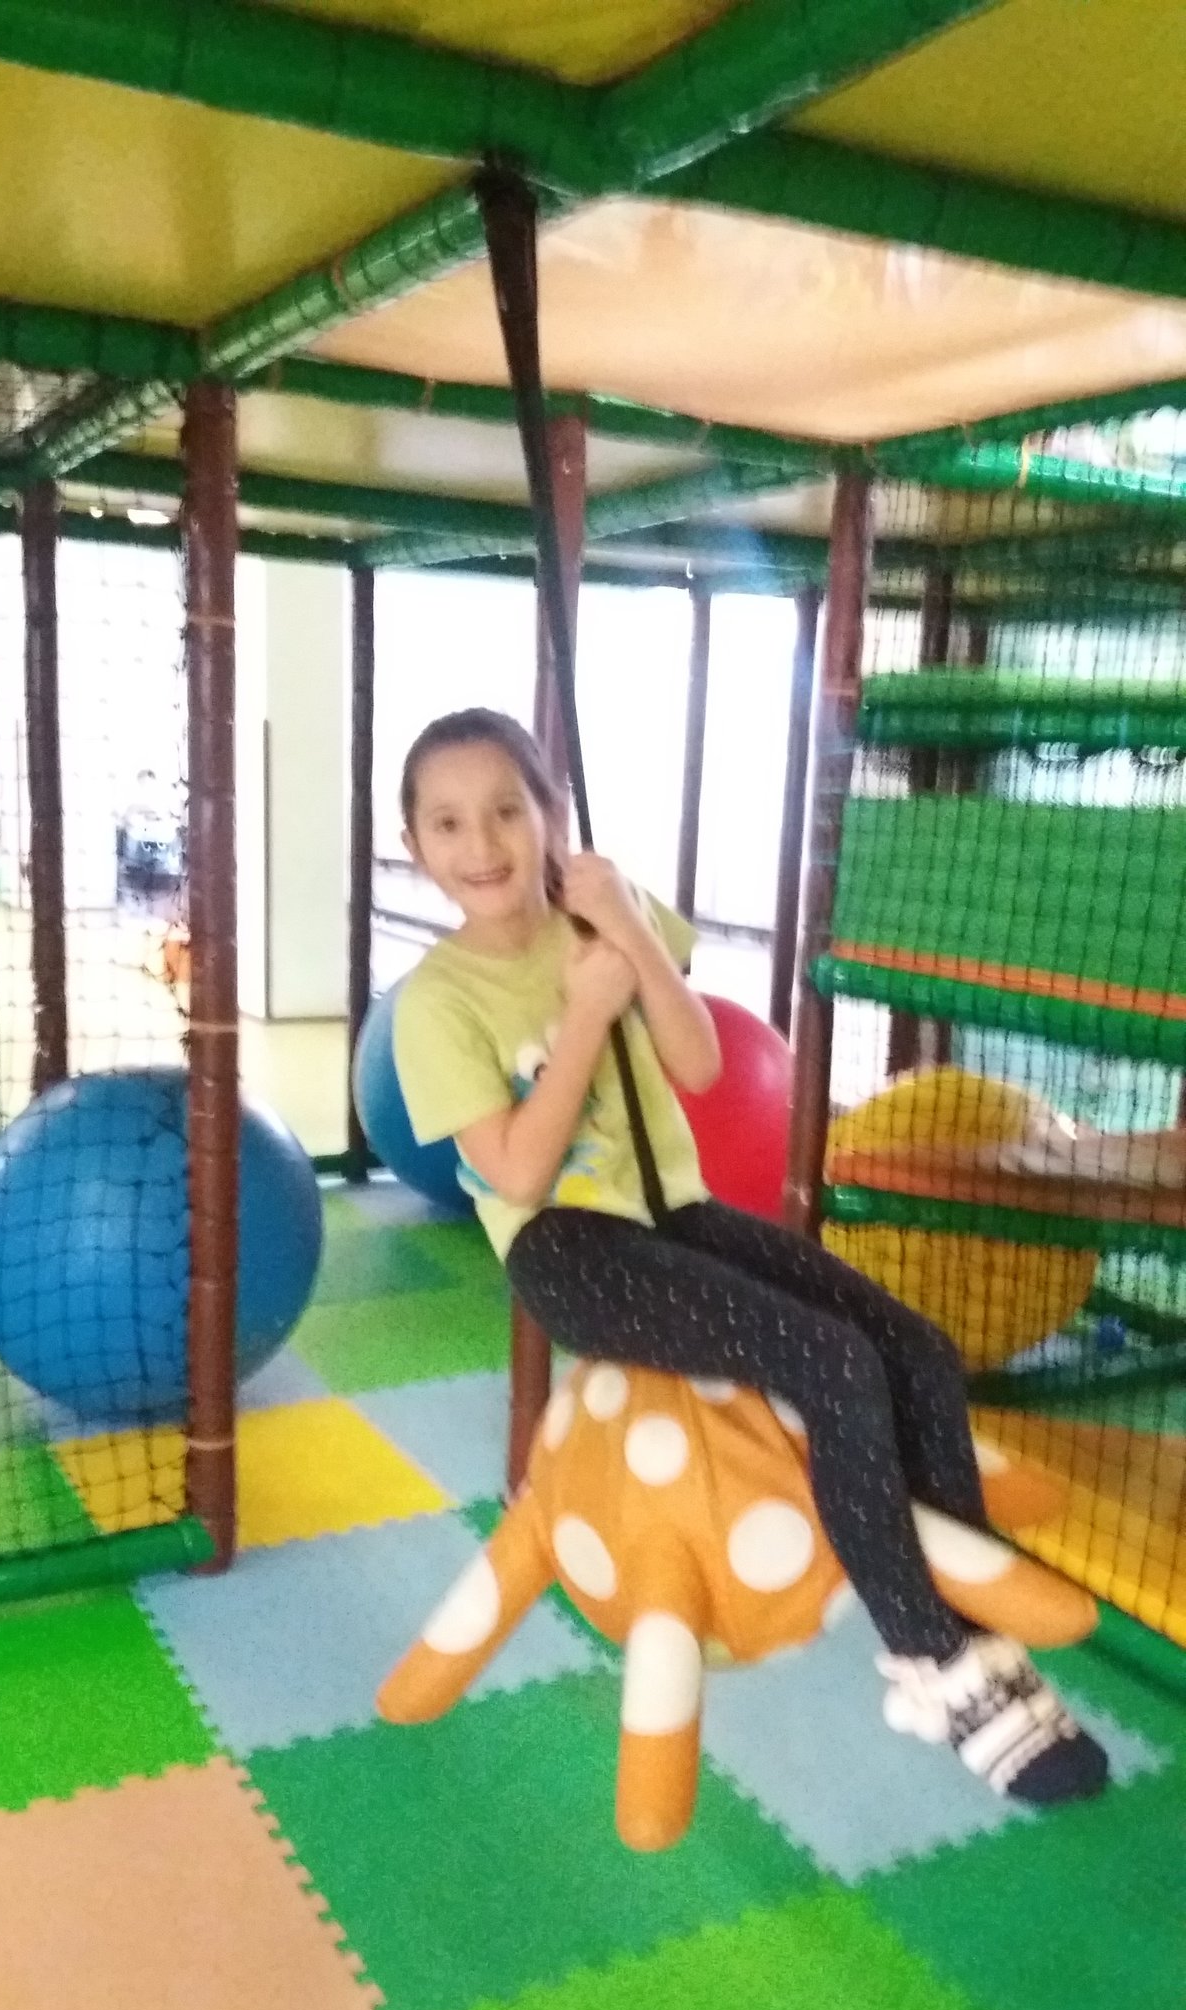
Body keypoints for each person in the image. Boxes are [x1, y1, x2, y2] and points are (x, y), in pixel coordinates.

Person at [393, 707, 1108, 1808]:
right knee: (831, 1360)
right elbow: (519, 1172)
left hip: (675, 1211)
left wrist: (627, 934)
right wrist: (583, 1016)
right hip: (568, 1247)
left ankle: (971, 1630)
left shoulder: (606, 908)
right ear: (415, 844)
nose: (481, 843)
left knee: (915, 1348)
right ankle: (932, 1652)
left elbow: (699, 1061)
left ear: (551, 815)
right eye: (447, 823)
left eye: (505, 810)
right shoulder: (435, 1001)